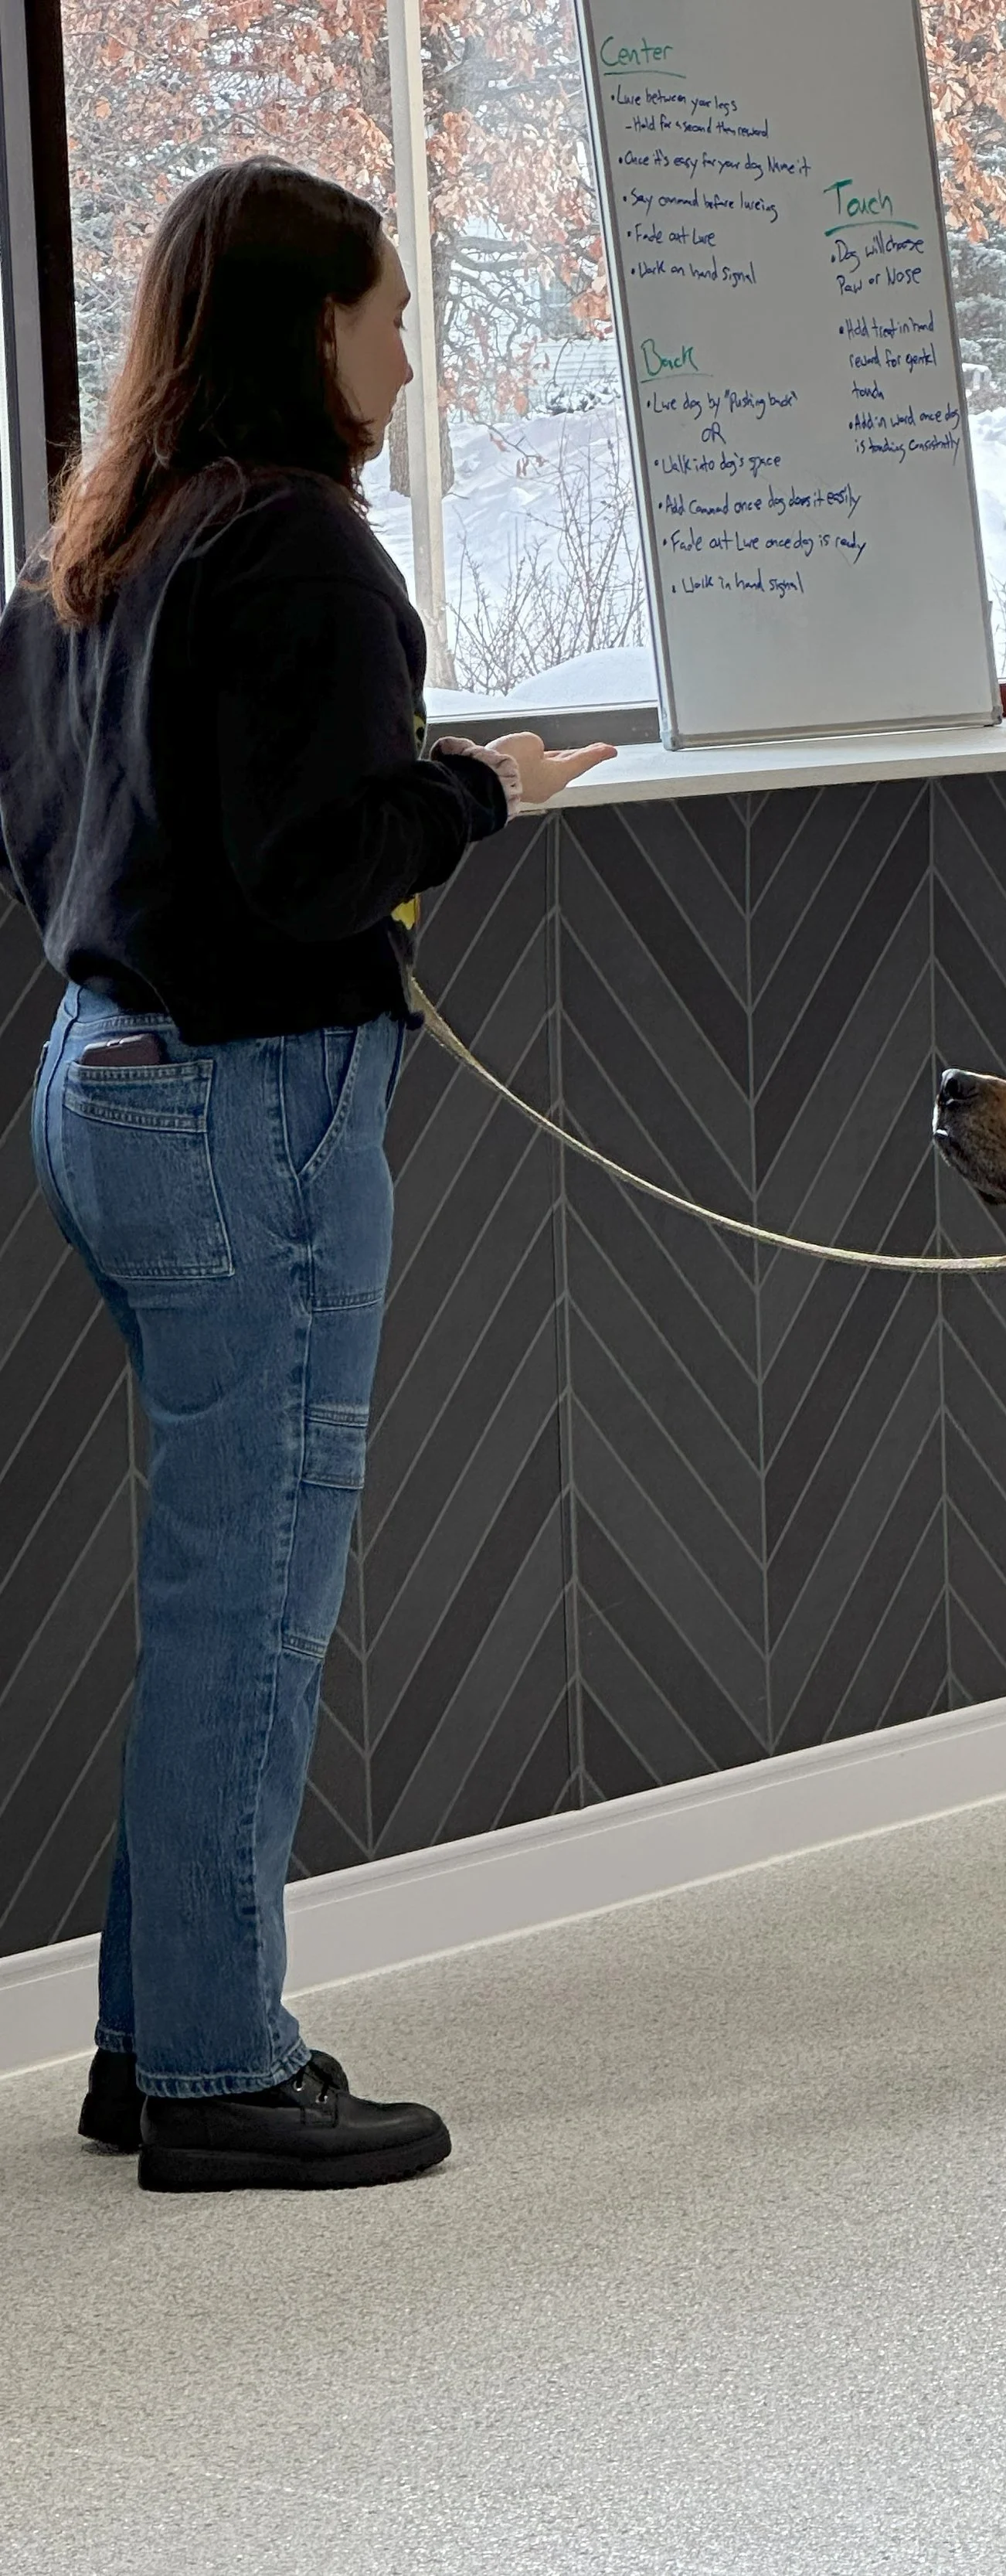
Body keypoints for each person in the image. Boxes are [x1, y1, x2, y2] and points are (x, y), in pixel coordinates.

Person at [0, 158, 614, 2192]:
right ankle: (217, 2070)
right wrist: (482, 791)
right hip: (246, 1111)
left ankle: (153, 2033)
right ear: (309, 333)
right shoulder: (309, 562)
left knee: (216, 1580)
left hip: (101, 1080)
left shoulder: (97, 545)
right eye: (392, 318)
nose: (413, 362)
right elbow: (315, 861)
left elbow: (51, 835)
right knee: (247, 1598)